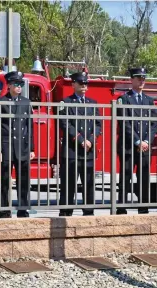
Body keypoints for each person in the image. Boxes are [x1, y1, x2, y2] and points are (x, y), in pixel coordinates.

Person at [0, 71, 35, 218]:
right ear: (9, 85)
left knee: (24, 179)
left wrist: (31, 148)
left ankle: (22, 208)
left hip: (22, 146)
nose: (18, 87)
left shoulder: (26, 102)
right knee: (5, 179)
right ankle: (4, 209)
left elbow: (30, 127)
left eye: (20, 84)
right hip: (6, 145)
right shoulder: (1, 102)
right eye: (16, 84)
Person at [58, 72, 101, 216]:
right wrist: (81, 140)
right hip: (72, 151)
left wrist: (91, 139)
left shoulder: (93, 103)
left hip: (88, 151)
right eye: (81, 83)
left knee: (88, 184)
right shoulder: (66, 102)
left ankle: (88, 212)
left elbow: (98, 124)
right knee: (69, 184)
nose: (84, 86)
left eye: (86, 83)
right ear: (73, 84)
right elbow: (65, 123)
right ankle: (66, 212)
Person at [116, 68, 157, 214]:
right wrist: (137, 141)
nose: (141, 81)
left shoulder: (149, 100)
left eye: (143, 78)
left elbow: (154, 123)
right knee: (125, 176)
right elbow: (125, 123)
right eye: (139, 78)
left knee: (144, 177)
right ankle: (121, 207)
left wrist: (146, 141)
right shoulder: (123, 99)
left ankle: (143, 206)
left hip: (145, 147)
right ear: (131, 80)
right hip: (129, 146)